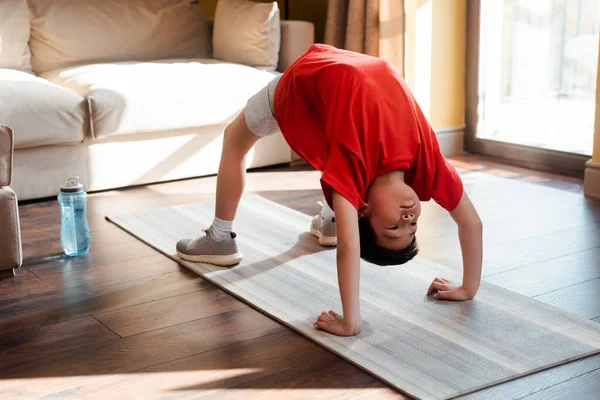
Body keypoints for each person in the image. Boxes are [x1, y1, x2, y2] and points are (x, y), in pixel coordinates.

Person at [176, 44, 483, 337]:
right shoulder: (428, 166)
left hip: (297, 92)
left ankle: (220, 238)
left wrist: (351, 322)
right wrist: (468, 288)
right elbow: (471, 222)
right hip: (325, 72)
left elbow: (348, 248)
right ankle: (324, 221)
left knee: (235, 141)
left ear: (363, 209)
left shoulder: (350, 172)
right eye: (412, 225)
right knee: (335, 161)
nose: (408, 217)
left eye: (394, 227)